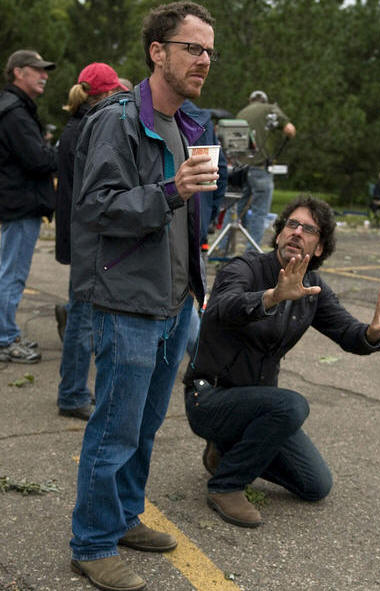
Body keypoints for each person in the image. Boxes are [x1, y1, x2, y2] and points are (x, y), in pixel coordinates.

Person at [69, 3, 217, 590]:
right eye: (191, 48)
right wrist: (170, 190)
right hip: (126, 301)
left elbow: (187, 212)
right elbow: (96, 207)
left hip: (174, 301)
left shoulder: (189, 124)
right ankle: (92, 543)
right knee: (114, 429)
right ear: (158, 51)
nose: (203, 59)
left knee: (147, 424)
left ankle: (125, 516)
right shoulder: (118, 120)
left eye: (208, 50)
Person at [184, 196, 380, 529]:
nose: (296, 232)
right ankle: (225, 485)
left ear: (318, 247)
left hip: (256, 407)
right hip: (210, 398)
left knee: (315, 485)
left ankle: (227, 452)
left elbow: (347, 332)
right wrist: (271, 297)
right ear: (280, 233)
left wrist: (373, 333)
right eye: (292, 224)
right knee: (292, 406)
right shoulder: (245, 268)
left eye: (308, 229)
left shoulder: (313, 288)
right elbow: (223, 307)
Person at [56, 64, 129, 421]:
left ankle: (73, 391)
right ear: (104, 94)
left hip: (79, 235)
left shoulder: (74, 128)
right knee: (83, 320)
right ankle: (72, 394)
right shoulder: (94, 127)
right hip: (88, 238)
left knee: (81, 316)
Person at [0, 50, 57, 364]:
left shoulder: (15, 108)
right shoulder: (15, 112)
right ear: (18, 72)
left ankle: (5, 333)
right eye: (37, 70)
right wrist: (58, 156)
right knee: (13, 273)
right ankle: (4, 338)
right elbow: (37, 159)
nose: (44, 75)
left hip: (18, 202)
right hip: (21, 203)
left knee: (9, 270)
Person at [220, 90, 296, 252]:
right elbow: (289, 130)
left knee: (234, 208)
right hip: (259, 167)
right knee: (259, 212)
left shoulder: (242, 113)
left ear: (250, 100)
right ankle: (251, 252)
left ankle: (222, 247)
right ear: (264, 100)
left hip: (240, 168)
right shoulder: (270, 108)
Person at [181, 99, 227, 251]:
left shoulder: (155, 116)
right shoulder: (204, 120)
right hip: (199, 223)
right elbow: (220, 170)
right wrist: (210, 213)